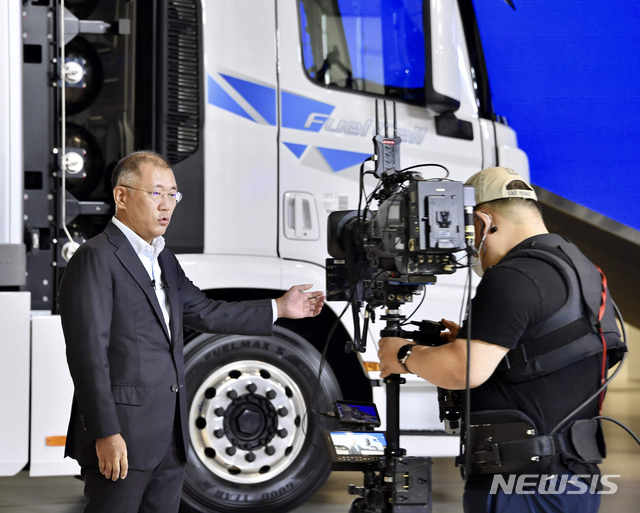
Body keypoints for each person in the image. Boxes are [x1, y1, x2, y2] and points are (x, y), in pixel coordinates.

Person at [59, 151, 326, 513]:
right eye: (156, 193)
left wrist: (279, 307)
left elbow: (206, 311)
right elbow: (87, 354)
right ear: (121, 197)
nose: (167, 205)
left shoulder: (163, 258)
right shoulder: (96, 257)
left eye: (173, 195)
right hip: (123, 436)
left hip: (169, 440)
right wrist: (106, 432)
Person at [378, 167, 623, 513]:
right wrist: (474, 341)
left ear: (483, 222)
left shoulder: (513, 276)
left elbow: (463, 371)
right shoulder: (581, 270)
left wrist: (402, 354)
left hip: (521, 485)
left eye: (466, 232)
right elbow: (550, 350)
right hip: (572, 478)